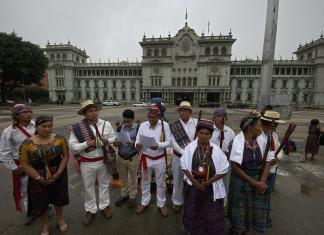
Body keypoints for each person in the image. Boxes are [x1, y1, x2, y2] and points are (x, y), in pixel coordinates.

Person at [69, 100, 116, 225]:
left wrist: (107, 140)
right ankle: (90, 210)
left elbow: (113, 137)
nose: (94, 113)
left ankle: (104, 206)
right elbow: (72, 146)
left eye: (95, 110)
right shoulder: (78, 128)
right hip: (87, 162)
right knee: (88, 187)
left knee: (104, 185)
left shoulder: (106, 124)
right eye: (90, 111)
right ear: (85, 114)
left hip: (103, 160)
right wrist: (86, 144)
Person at [19, 116, 69, 235]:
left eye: (50, 126)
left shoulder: (60, 139)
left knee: (58, 199)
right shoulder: (26, 143)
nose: (47, 129)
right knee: (41, 202)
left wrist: (58, 173)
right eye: (43, 126)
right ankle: (45, 224)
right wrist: (38, 178)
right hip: (37, 176)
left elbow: (65, 156)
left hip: (58, 174)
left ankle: (60, 219)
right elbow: (25, 164)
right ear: (36, 127)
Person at [228, 111, 274, 235]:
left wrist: (262, 182)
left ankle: (248, 230)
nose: (261, 129)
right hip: (241, 181)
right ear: (250, 128)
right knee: (240, 211)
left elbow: (268, 161)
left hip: (258, 180)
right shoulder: (236, 143)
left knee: (254, 210)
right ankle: (237, 229)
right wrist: (254, 183)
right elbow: (235, 167)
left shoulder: (262, 141)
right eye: (258, 126)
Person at [181, 119, 229, 235]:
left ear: (211, 135)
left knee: (210, 214)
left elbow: (224, 169)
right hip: (194, 186)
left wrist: (208, 182)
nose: (203, 136)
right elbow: (184, 166)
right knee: (193, 210)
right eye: (201, 133)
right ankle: (192, 230)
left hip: (211, 188)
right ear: (197, 133)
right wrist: (194, 182)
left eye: (207, 134)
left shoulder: (217, 150)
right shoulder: (189, 148)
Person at [0, 104, 36, 225]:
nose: (28, 114)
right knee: (26, 190)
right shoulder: (9, 131)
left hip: (38, 163)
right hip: (21, 165)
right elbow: (4, 152)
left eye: (30, 111)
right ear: (17, 115)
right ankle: (30, 213)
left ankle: (45, 207)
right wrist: (15, 168)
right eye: (25, 112)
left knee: (42, 186)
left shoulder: (36, 125)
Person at [135, 106, 171, 217]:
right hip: (146, 158)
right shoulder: (143, 125)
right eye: (150, 116)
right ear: (147, 116)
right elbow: (137, 140)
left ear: (159, 116)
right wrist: (138, 145)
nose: (151, 119)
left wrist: (158, 145)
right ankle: (144, 202)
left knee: (161, 182)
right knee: (145, 181)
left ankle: (161, 204)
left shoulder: (165, 125)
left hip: (159, 158)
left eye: (154, 117)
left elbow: (169, 141)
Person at [169, 101, 198, 213]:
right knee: (177, 180)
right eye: (181, 110)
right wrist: (184, 153)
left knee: (193, 180)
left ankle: (192, 202)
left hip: (194, 158)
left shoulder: (197, 122)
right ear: (179, 112)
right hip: (178, 157)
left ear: (190, 112)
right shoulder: (174, 125)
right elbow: (173, 142)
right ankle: (177, 202)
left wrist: (191, 153)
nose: (183, 112)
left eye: (186, 110)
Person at [113, 109, 140, 208]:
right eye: (125, 121)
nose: (126, 123)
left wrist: (134, 143)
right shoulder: (120, 128)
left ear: (133, 120)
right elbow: (115, 140)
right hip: (120, 156)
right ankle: (124, 195)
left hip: (133, 156)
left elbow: (140, 143)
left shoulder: (138, 128)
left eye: (129, 121)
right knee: (123, 178)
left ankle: (132, 196)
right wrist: (116, 143)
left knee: (133, 178)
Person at [211, 107, 235, 208]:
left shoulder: (230, 131)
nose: (222, 119)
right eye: (219, 116)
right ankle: (212, 203)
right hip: (212, 162)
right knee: (212, 183)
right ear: (214, 118)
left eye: (224, 117)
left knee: (226, 184)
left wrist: (228, 152)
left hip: (226, 162)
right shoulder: (209, 130)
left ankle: (223, 205)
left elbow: (234, 146)